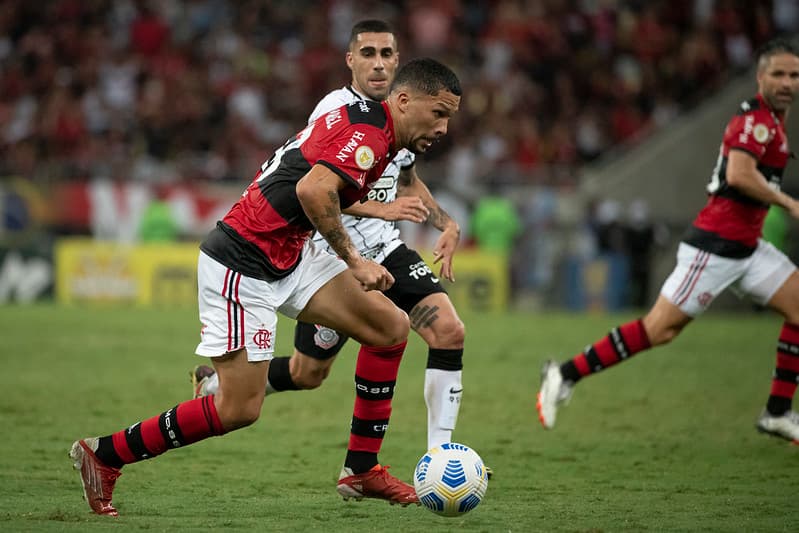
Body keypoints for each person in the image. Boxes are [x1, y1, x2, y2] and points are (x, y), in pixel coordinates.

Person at [69, 57, 462, 516]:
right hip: (243, 261)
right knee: (239, 409)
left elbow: (308, 180)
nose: (444, 127)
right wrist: (354, 260)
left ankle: (360, 470)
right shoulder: (370, 136)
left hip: (290, 253)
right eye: (438, 113)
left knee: (389, 328)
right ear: (403, 100)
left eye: (449, 116)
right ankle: (104, 454)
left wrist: (375, 216)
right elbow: (313, 191)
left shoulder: (377, 131)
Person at [192, 19, 488, 476]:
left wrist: (445, 222)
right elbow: (314, 185)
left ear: (399, 63)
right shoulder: (340, 109)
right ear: (350, 60)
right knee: (309, 373)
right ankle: (219, 386)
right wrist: (372, 218)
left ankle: (437, 461)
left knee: (445, 331)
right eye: (367, 53)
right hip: (333, 253)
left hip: (386, 251)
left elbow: (407, 183)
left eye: (387, 54)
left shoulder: (405, 120)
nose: (378, 63)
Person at [537, 38, 799, 442]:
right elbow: (739, 175)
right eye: (778, 74)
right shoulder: (756, 121)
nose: (786, 82)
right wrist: (789, 203)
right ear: (760, 76)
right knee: (658, 330)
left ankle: (777, 412)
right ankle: (564, 373)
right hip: (715, 247)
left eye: (794, 75)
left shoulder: (774, 122)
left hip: (748, 246)